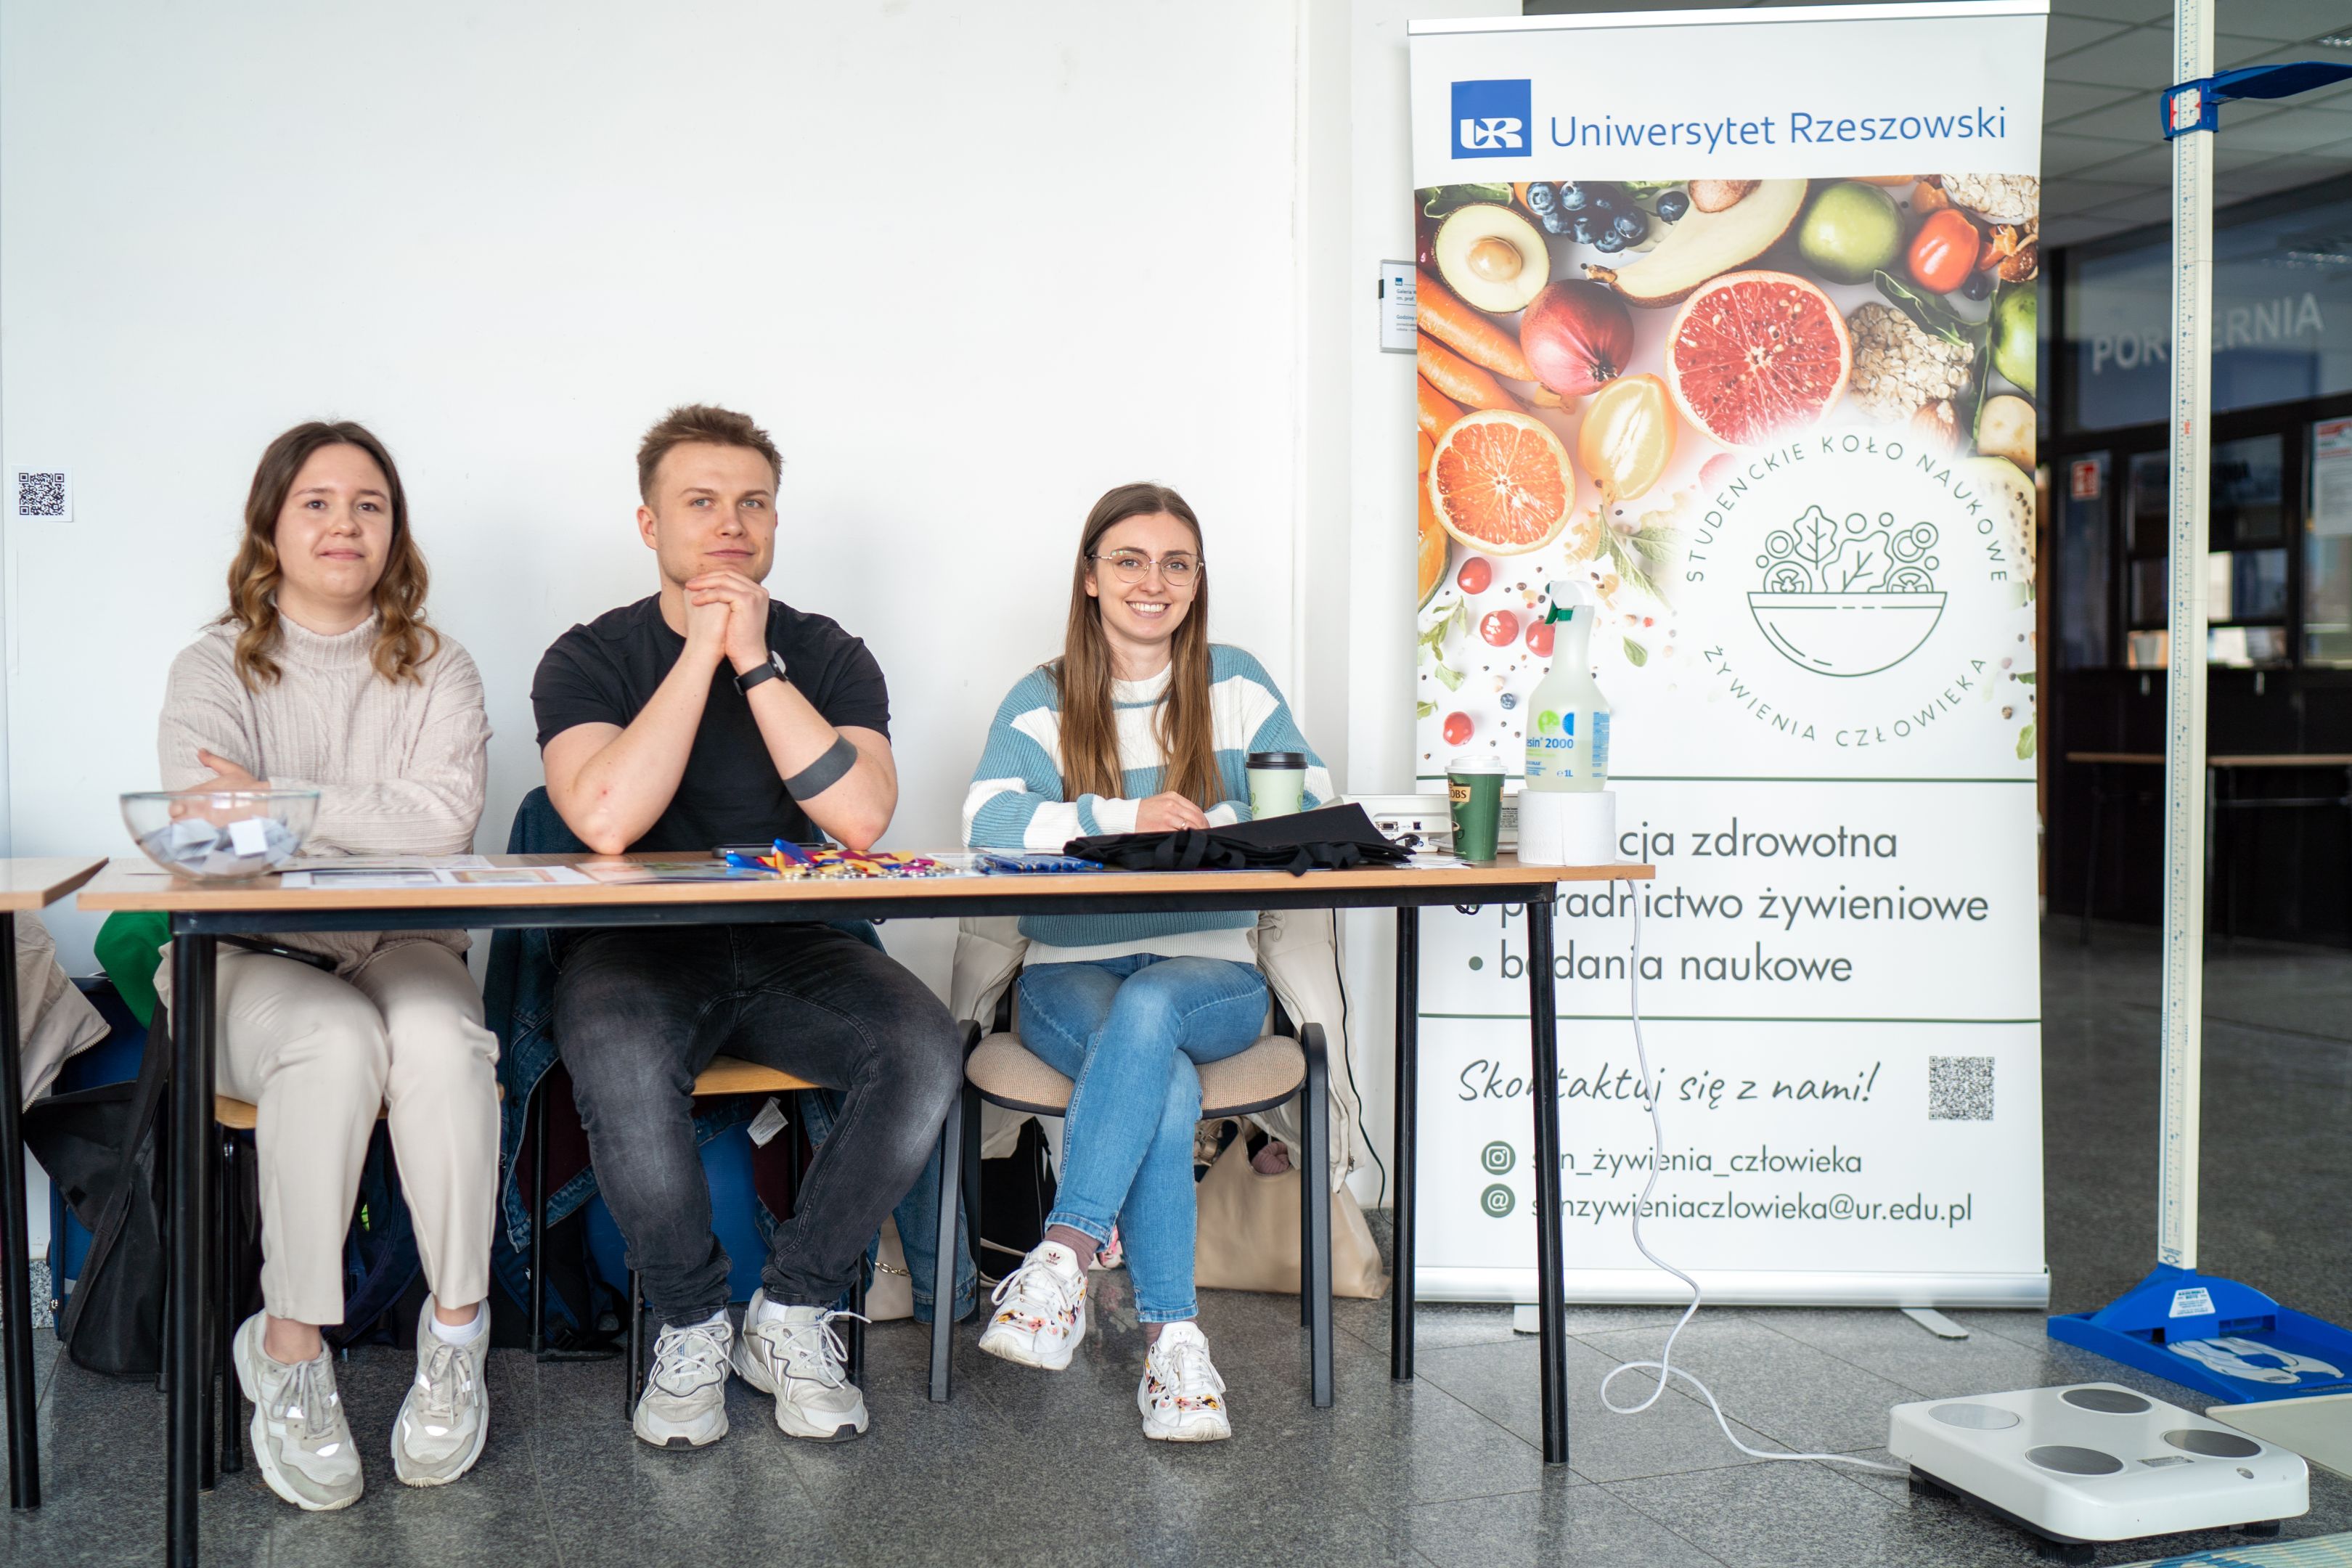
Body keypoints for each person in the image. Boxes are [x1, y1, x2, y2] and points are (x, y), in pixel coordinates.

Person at [532, 404, 961, 1449]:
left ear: (775, 521)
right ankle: (688, 1322)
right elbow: (604, 819)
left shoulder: (827, 653)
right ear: (650, 525)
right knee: (618, 1051)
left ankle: (794, 1310)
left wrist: (758, 664)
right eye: (702, 502)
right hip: (636, 947)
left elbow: (860, 817)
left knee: (921, 1047)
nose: (731, 523)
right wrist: (701, 653)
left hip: (792, 942)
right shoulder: (587, 658)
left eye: (753, 503)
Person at [158, 420, 496, 1509]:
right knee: (332, 1038)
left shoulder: (439, 665)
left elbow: (443, 823)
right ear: (272, 524)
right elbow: (213, 828)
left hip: (405, 944)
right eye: (316, 502)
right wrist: (349, 816)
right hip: (249, 957)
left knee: (441, 1040)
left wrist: (279, 805)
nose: (344, 523)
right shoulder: (213, 665)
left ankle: (456, 1333)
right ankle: (290, 1346)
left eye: (368, 504)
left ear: (395, 531)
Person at [961, 481, 1331, 1442]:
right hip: (1067, 976)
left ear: (1198, 581)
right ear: (1090, 577)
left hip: (1212, 976)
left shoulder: (1237, 684)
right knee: (1158, 1077)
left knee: (1153, 1009)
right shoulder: (1044, 697)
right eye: (1128, 560)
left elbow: (1311, 800)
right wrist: (1130, 816)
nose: (1152, 582)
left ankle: (1061, 1258)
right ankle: (1175, 1349)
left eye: (1176, 564)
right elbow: (988, 822)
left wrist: (1207, 827)